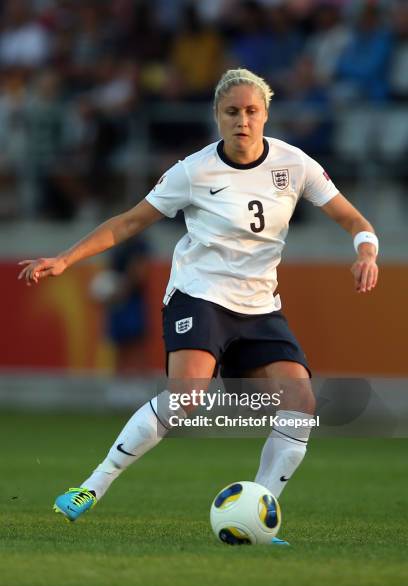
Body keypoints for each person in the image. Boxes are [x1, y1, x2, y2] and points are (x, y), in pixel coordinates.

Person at [18, 68, 379, 545]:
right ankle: (92, 486)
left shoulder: (295, 165)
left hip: (259, 306)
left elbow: (351, 216)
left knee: (301, 402)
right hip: (200, 294)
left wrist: (367, 250)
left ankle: (260, 515)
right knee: (188, 396)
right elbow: (129, 223)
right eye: (232, 111)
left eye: (251, 111)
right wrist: (65, 258)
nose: (242, 120)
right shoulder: (193, 170)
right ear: (217, 117)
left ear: (266, 114)